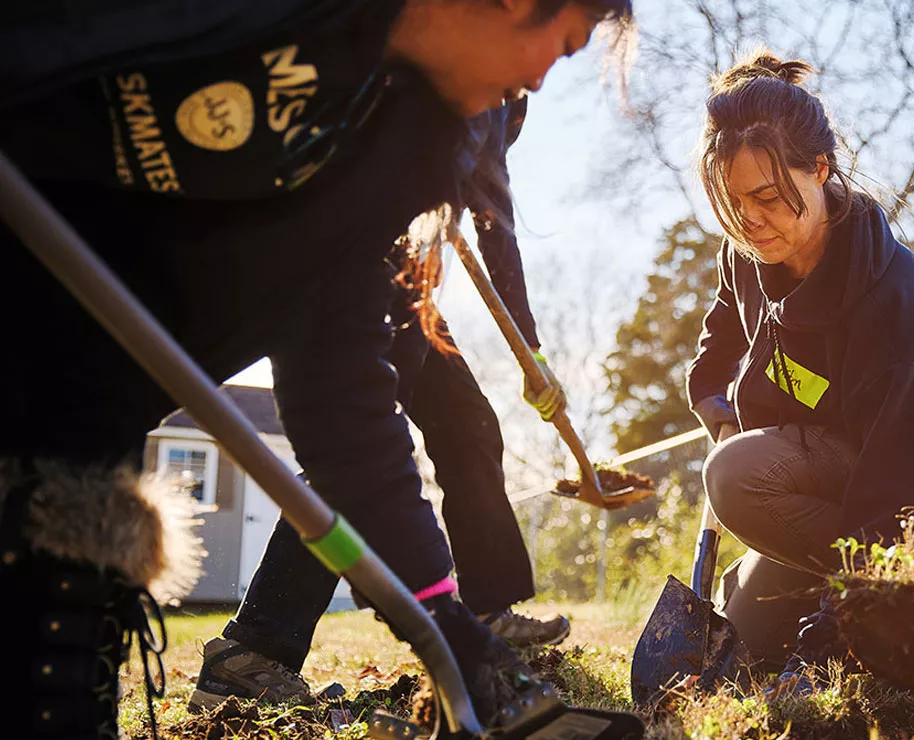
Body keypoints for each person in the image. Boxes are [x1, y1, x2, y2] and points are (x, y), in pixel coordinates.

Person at [0, 0, 633, 735]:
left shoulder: (385, 173)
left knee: (455, 424)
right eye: (564, 46)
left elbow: (350, 418)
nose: (540, 81)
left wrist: (444, 623)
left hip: (61, 420)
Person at [191, 96, 572, 712]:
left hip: (410, 280)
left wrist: (534, 353)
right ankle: (253, 650)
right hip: (364, 267)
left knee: (467, 422)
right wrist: (530, 349)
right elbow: (493, 217)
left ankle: (485, 608)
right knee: (356, 453)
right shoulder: (484, 75)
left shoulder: (506, 86)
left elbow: (485, 200)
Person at [684, 51, 914, 690]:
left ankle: (908, 598)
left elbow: (901, 485)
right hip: (856, 453)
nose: (749, 219)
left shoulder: (895, 303)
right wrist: (714, 403)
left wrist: (831, 638)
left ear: (820, 169)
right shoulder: (750, 248)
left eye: (766, 197)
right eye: (733, 202)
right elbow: (717, 348)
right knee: (753, 635)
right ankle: (833, 590)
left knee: (736, 477)